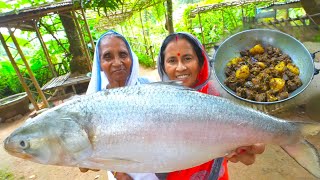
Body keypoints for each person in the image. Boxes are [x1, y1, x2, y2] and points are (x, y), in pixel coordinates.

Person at [157, 32, 265, 180]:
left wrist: (246, 146)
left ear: (201, 62)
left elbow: (250, 152)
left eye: (187, 58)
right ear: (163, 66)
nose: (180, 67)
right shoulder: (155, 103)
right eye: (172, 60)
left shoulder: (220, 96)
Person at [85, 30, 157, 180]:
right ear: (99, 63)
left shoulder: (150, 90)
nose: (117, 63)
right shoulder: (93, 104)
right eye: (108, 56)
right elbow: (87, 160)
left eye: (123, 55)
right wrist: (118, 173)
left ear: (131, 58)